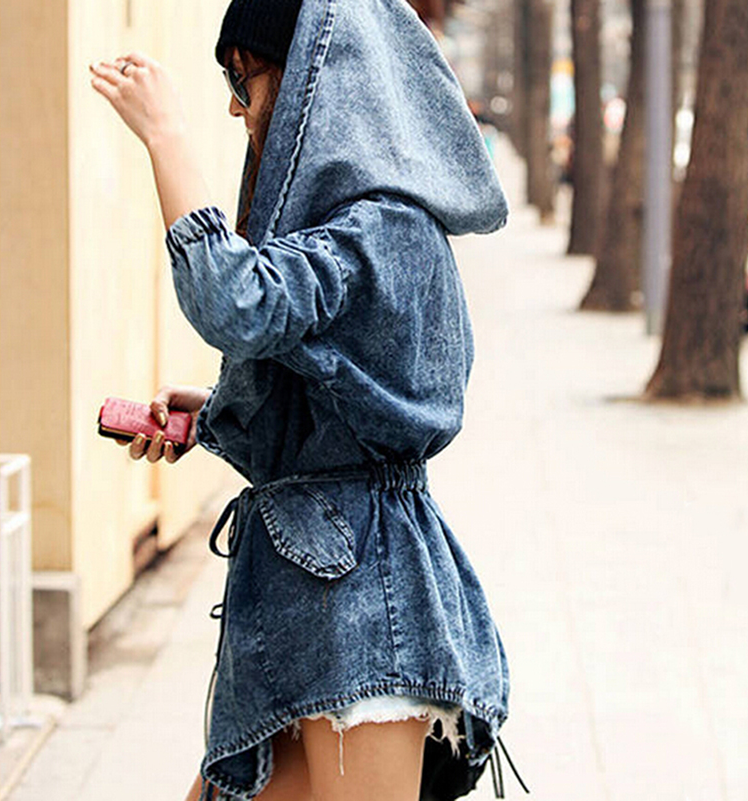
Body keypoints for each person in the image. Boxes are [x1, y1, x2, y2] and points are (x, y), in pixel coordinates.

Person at [90, 1, 520, 799]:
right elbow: (337, 396)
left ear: (316, 82)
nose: (234, 107)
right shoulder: (347, 226)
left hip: (364, 609)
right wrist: (209, 417)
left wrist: (166, 137)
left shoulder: (383, 226)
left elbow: (237, 303)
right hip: (306, 605)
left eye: (243, 80)